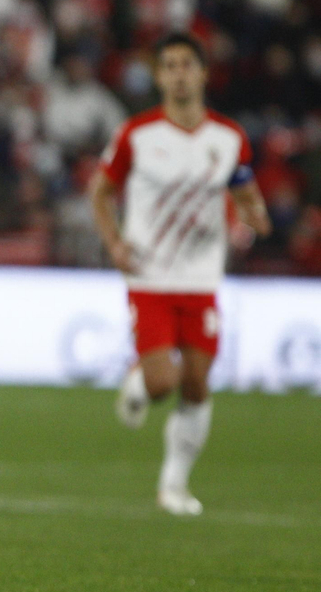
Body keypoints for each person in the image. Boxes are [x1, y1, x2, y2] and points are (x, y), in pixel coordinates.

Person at [90, 32, 271, 515]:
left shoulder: (228, 138)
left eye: (187, 65)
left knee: (196, 385)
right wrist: (114, 243)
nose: (179, 75)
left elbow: (244, 190)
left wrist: (253, 215)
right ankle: (139, 385)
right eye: (169, 66)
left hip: (202, 279)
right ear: (158, 77)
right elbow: (100, 191)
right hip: (149, 276)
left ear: (204, 73)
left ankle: (173, 485)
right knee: (163, 382)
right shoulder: (137, 134)